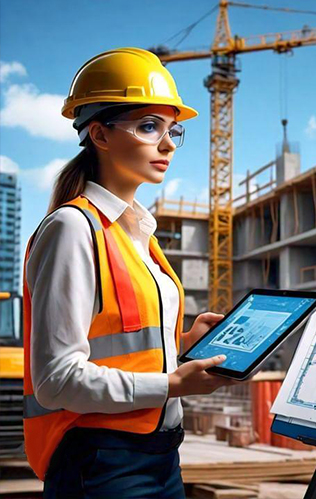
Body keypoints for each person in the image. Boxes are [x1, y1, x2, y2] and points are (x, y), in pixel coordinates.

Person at [22, 47, 239, 499]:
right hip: (102, 464)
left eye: (172, 130)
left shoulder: (140, 234)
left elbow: (117, 344)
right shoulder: (73, 228)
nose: (167, 144)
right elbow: (55, 380)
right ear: (99, 134)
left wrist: (183, 345)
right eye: (148, 127)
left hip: (161, 458)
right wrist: (173, 383)